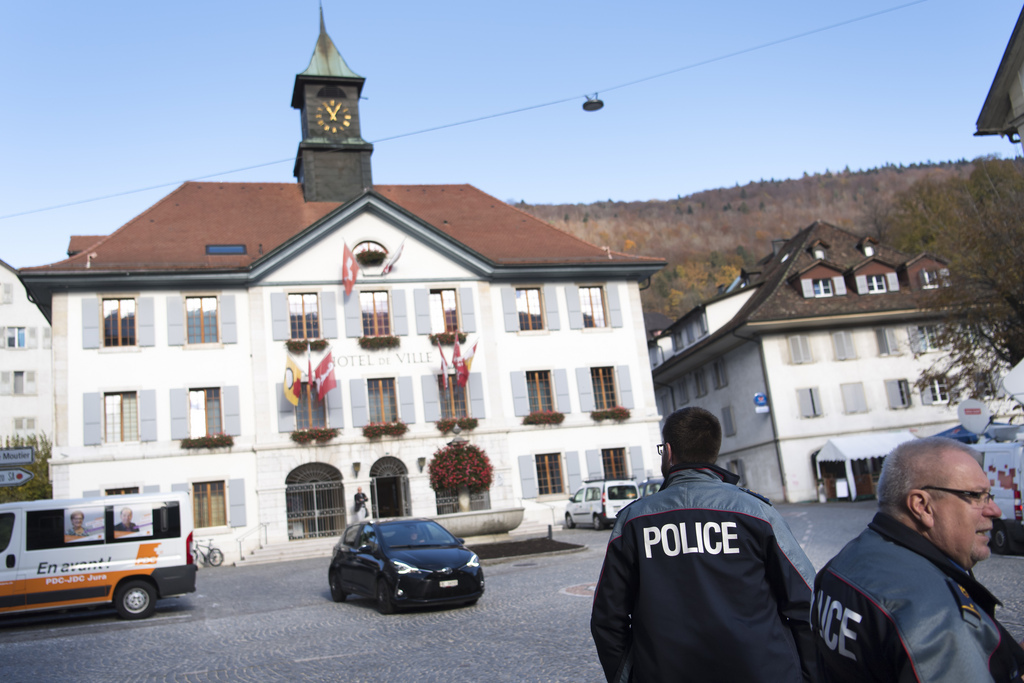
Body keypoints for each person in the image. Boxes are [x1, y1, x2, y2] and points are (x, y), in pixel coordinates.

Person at [591, 407, 818, 682]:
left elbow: (607, 619)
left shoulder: (633, 522)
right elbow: (807, 600)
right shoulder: (756, 513)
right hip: (761, 670)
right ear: (714, 453)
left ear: (669, 452)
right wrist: (807, 675)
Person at [812, 437, 1024, 682]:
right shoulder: (937, 617)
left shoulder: (842, 564)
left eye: (990, 495)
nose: (995, 510)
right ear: (922, 506)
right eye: (977, 496)